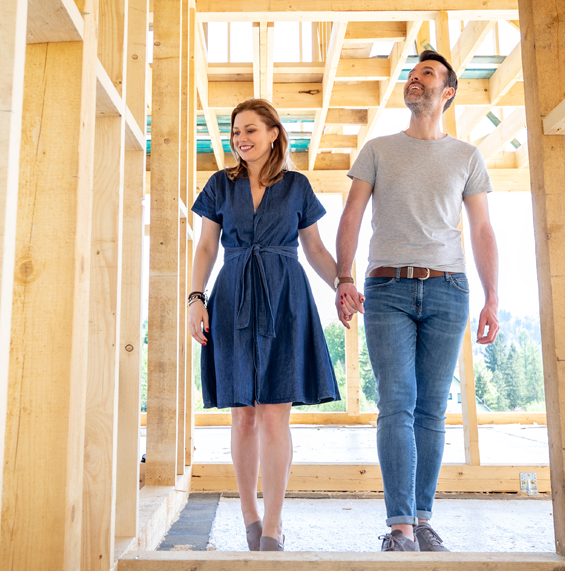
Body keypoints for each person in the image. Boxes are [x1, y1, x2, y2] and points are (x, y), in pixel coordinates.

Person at [335, 50, 500, 552]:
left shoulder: (467, 156)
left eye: (426, 74)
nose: (415, 80)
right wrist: (344, 277)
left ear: (447, 92)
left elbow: (482, 229)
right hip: (387, 289)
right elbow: (352, 215)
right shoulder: (379, 149)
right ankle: (401, 527)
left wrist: (493, 298)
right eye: (411, 75)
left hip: (450, 288)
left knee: (431, 409)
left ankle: (422, 520)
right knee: (397, 403)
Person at [187, 98, 341, 552]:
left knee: (275, 414)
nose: (241, 139)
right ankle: (249, 517)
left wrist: (343, 284)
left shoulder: (297, 186)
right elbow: (205, 249)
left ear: (274, 133)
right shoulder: (220, 184)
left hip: (285, 298)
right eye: (236, 132)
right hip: (232, 294)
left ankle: (273, 527)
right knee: (243, 416)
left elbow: (314, 249)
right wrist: (196, 298)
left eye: (250, 130)